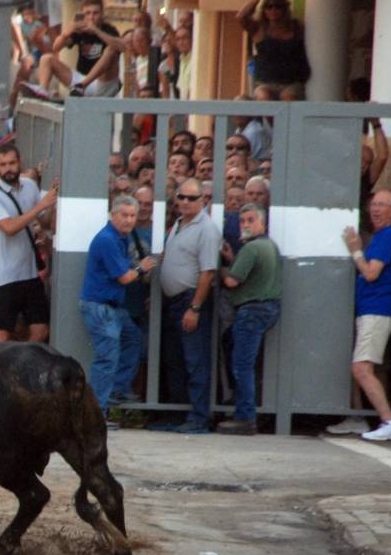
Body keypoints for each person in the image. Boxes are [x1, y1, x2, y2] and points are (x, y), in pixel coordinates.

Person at [332, 190, 391, 442]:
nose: (375, 209)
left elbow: (371, 273)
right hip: (373, 309)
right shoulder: (382, 236)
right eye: (373, 204)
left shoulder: (387, 236)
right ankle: (386, 421)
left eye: (382, 205)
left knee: (361, 368)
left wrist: (355, 250)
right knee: (365, 366)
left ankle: (390, 422)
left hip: (378, 309)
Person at [80, 195, 156, 421]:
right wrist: (142, 268)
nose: (129, 220)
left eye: (133, 215)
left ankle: (117, 390)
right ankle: (96, 415)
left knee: (133, 339)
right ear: (113, 215)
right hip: (101, 308)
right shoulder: (108, 239)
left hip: (113, 307)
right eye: (124, 215)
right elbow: (124, 277)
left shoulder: (120, 237)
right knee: (106, 360)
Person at [155, 178, 221, 434]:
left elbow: (208, 272)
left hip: (190, 301)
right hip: (174, 301)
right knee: (175, 361)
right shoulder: (179, 224)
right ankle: (178, 415)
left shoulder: (206, 229)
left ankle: (199, 418)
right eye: (181, 197)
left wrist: (194, 308)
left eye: (191, 198)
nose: (184, 201)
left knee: (195, 361)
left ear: (203, 200)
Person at [216, 204, 281, 435]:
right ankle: (246, 413)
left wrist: (223, 268)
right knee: (246, 363)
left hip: (251, 311)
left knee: (242, 365)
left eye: (250, 220)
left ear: (262, 224)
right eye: (242, 220)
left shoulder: (252, 248)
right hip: (267, 308)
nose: (245, 224)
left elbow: (232, 281)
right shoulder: (269, 245)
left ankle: (245, 417)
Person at [0, 143, 53, 343]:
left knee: (41, 330)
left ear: (19, 162)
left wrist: (54, 205)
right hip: (3, 277)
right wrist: (42, 205)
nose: (8, 169)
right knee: (1, 333)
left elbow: (44, 219)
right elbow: (10, 228)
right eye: (3, 164)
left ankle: (22, 366)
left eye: (12, 163)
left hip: (29, 274)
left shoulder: (29, 186)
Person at [37, 0, 122, 99]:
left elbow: (119, 47)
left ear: (102, 14)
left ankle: (82, 85)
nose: (91, 17)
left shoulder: (109, 30)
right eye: (88, 13)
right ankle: (42, 91)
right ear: (83, 15)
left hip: (103, 83)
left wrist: (96, 31)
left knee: (110, 50)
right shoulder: (80, 31)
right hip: (80, 81)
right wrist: (65, 34)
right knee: (46, 59)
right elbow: (56, 48)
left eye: (95, 13)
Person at [237, 0, 310, 101]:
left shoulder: (295, 27)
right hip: (265, 83)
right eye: (269, 7)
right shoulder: (259, 28)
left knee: (288, 101)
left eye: (278, 6)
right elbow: (241, 17)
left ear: (284, 9)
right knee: (264, 98)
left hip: (290, 83)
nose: (273, 10)